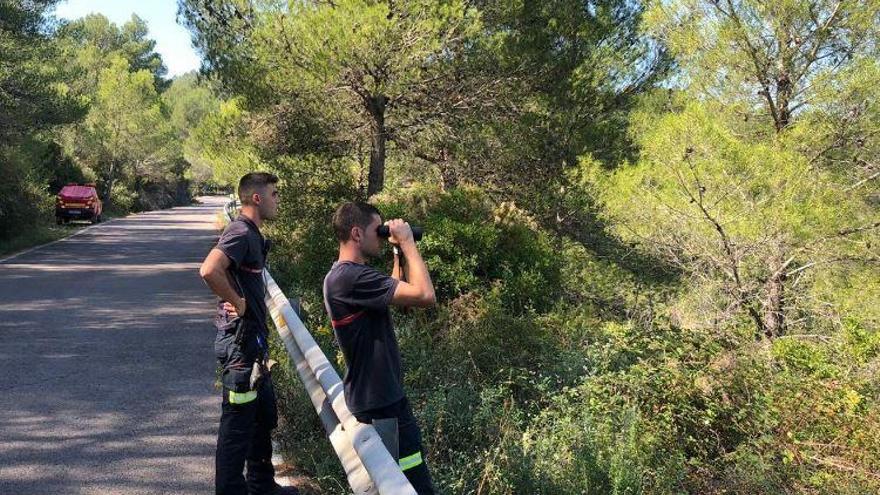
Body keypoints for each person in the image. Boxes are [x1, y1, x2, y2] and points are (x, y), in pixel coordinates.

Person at [322, 202, 437, 494]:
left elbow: (398, 295)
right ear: (357, 233)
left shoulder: (348, 276)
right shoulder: (350, 278)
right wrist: (409, 242)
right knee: (413, 485)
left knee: (398, 479)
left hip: (378, 397)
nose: (382, 236)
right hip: (382, 403)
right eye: (379, 230)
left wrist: (397, 251)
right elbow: (424, 295)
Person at [199, 172, 296, 495]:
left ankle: (262, 485)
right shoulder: (240, 232)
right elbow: (209, 269)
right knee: (238, 425)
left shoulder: (252, 234)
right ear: (257, 198)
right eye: (274, 193)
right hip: (239, 346)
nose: (278, 199)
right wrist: (236, 301)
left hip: (253, 343)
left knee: (261, 417)